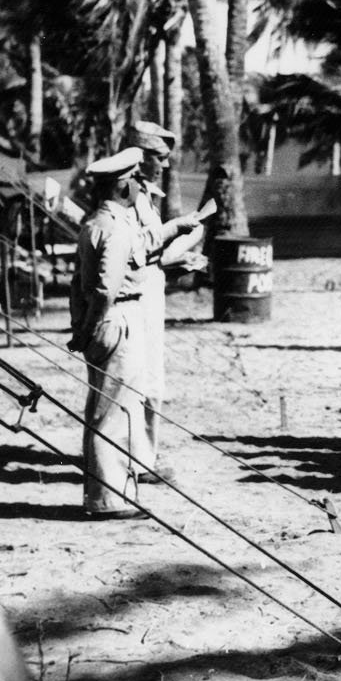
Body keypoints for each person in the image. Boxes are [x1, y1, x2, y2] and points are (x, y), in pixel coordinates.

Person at [70, 148, 151, 519]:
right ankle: (107, 499)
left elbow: (78, 285)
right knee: (113, 411)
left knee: (108, 406)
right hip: (116, 319)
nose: (139, 186)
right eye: (136, 180)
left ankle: (107, 493)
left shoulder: (92, 223)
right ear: (123, 185)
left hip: (101, 321)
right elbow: (105, 289)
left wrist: (80, 327)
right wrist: (88, 327)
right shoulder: (116, 228)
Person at [123, 120, 204, 481]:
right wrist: (177, 232)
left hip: (151, 294)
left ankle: (147, 456)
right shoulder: (131, 197)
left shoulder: (144, 194)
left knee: (152, 379)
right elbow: (135, 251)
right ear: (140, 157)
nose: (166, 165)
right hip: (137, 299)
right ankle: (139, 461)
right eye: (160, 157)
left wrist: (176, 262)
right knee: (141, 379)